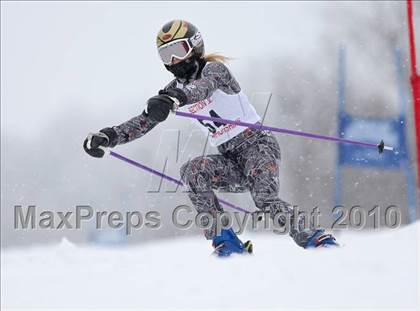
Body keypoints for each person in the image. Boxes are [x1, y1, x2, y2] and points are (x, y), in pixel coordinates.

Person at [83, 20, 337, 256]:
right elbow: (144, 121)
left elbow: (203, 88)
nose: (174, 60)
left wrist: (177, 99)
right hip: (230, 159)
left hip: (257, 146)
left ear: (195, 45)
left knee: (264, 199)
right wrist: (110, 136)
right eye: (165, 55)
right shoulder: (173, 91)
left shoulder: (214, 70)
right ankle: (225, 239)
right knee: (193, 170)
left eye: (179, 50)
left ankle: (315, 238)